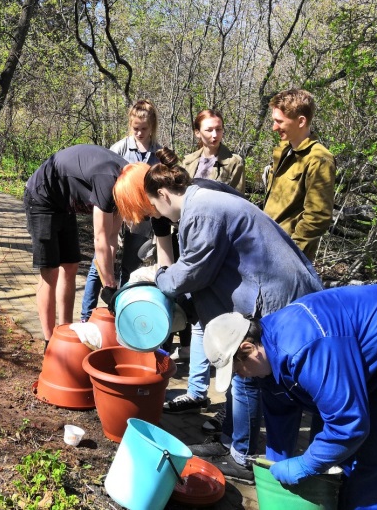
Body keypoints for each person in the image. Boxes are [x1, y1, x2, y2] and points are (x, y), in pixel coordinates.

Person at [115, 147, 322, 484]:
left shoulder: (203, 210)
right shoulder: (195, 204)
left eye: (151, 207)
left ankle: (242, 456)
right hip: (259, 289)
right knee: (237, 373)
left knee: (247, 374)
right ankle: (229, 442)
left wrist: (156, 278)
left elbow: (194, 271)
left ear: (159, 194)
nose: (154, 216)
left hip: (274, 294)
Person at [204, 284, 377, 510]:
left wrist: (306, 465)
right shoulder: (268, 354)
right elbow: (280, 417)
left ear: (247, 349)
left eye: (237, 370)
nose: (241, 377)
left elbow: (348, 425)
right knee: (331, 449)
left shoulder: (304, 348)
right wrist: (275, 475)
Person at [163, 110, 244, 421]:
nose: (215, 135)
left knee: (226, 323)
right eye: (209, 130)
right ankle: (197, 392)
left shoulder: (233, 162)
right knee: (198, 320)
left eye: (219, 129)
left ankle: (232, 402)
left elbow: (235, 201)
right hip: (191, 242)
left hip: (220, 246)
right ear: (198, 133)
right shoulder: (189, 160)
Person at [24, 144, 127, 344]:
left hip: (63, 203)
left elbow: (113, 237)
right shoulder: (108, 182)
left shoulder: (126, 182)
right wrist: (108, 284)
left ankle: (66, 332)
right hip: (41, 198)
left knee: (70, 266)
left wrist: (111, 280)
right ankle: (49, 341)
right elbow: (100, 240)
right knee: (50, 272)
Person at [80, 100, 165, 321]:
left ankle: (123, 315)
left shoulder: (159, 153)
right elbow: (105, 185)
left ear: (152, 127)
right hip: (115, 213)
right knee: (100, 262)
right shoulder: (119, 149)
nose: (139, 132)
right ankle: (86, 315)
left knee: (130, 266)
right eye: (135, 128)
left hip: (141, 219)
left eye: (144, 129)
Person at [263, 88, 335, 261]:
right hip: (265, 245)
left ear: (301, 121)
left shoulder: (319, 159)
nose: (274, 128)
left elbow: (318, 217)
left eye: (279, 121)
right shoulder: (284, 151)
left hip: (286, 256)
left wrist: (291, 254)